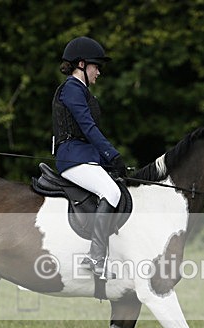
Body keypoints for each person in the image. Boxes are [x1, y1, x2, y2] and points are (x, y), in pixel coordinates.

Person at [52, 36, 127, 278]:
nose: (99, 72)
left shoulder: (81, 90)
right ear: (82, 65)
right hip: (73, 157)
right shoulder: (72, 89)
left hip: (83, 156)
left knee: (116, 188)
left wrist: (108, 162)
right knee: (112, 193)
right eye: (97, 66)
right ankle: (95, 259)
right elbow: (88, 128)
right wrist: (112, 155)